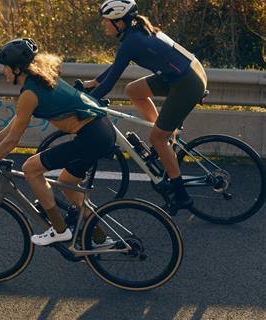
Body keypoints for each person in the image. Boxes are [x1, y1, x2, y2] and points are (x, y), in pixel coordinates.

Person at [0, 38, 116, 246]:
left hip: (92, 137)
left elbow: (13, 141)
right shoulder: (41, 79)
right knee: (68, 185)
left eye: (5, 68)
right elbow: (19, 119)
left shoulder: (29, 94)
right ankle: (99, 237)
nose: (3, 72)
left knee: (31, 168)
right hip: (101, 130)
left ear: (17, 69)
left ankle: (59, 230)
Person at [84, 0, 208, 214]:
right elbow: (116, 66)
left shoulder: (132, 42)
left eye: (106, 21)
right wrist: (95, 82)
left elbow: (111, 82)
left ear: (120, 23)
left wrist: (85, 103)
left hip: (187, 83)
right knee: (134, 90)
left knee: (156, 138)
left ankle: (181, 196)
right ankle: (164, 136)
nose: (103, 24)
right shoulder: (135, 32)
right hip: (183, 73)